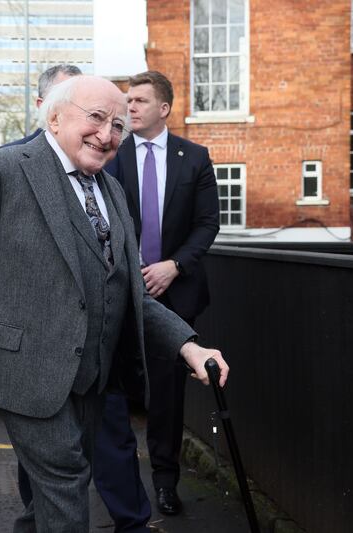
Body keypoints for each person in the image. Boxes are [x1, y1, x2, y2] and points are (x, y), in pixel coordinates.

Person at [0, 75, 228, 532]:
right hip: (24, 373)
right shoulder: (4, 169)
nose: (106, 135)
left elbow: (128, 293)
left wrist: (189, 347)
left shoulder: (110, 189)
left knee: (49, 500)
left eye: (118, 125)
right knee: (65, 487)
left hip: (91, 380)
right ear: (55, 116)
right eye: (96, 118)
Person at [94, 70, 220, 528]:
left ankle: (165, 481)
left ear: (163, 108)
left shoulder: (195, 158)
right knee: (116, 389)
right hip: (121, 290)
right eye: (128, 100)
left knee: (168, 394)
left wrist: (175, 266)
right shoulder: (111, 154)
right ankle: (117, 482)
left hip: (176, 292)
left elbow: (208, 223)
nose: (130, 107)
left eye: (140, 100)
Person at [0, 62, 82, 508]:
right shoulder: (5, 167)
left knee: (64, 486)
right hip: (30, 363)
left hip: (89, 367)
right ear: (46, 111)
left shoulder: (104, 174)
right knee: (59, 484)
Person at [0, 63, 82, 149]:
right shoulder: (5, 157)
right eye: (66, 98)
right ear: (42, 105)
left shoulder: (93, 155)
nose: (78, 106)